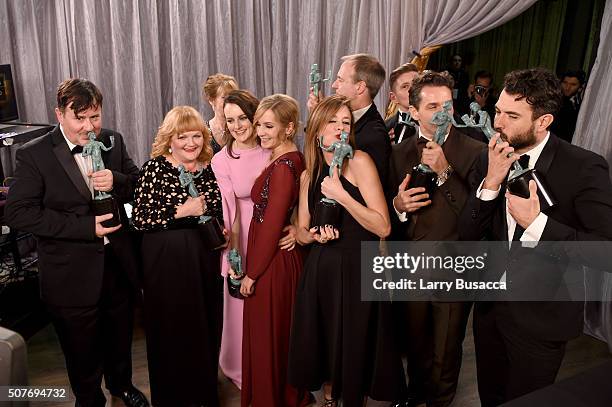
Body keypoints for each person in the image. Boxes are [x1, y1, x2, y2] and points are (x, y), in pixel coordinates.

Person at [459, 68, 612, 406]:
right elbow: (467, 233)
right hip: (488, 312)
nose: (499, 123)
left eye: (512, 116)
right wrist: (490, 185)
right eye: (498, 110)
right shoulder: (488, 158)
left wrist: (538, 225)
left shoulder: (584, 167)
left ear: (543, 122)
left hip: (543, 320)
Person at [5, 78, 148, 407]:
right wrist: (86, 228)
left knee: (119, 335)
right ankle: (88, 399)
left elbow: (137, 183)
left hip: (117, 265)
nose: (90, 127)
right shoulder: (34, 154)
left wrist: (118, 180)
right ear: (59, 114)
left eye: (94, 116)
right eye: (79, 118)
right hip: (69, 274)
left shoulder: (113, 140)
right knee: (81, 349)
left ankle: (122, 386)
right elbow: (19, 213)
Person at [288, 95, 407, 406]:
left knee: (355, 345)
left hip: (358, 269)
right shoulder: (308, 174)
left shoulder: (360, 162)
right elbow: (301, 232)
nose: (341, 128)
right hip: (322, 272)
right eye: (333, 122)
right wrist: (315, 235)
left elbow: (383, 226)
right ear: (316, 130)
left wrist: (342, 196)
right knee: (326, 344)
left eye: (346, 122)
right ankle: (330, 400)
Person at [389, 71, 484, 407]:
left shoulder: (476, 151)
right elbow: (389, 216)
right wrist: (398, 206)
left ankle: (441, 402)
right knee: (414, 345)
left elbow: (479, 217)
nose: (443, 112)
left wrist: (445, 172)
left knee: (445, 349)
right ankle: (415, 397)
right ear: (413, 111)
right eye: (432, 106)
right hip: (412, 267)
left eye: (447, 104)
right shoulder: (398, 153)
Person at [132, 106, 224, 407]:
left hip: (204, 260)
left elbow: (222, 210)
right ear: (169, 139)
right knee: (170, 327)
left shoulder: (212, 166)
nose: (190, 143)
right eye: (182, 136)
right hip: (164, 263)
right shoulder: (154, 168)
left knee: (205, 323)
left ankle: (205, 393)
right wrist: (180, 211)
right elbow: (141, 219)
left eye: (196, 136)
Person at [211, 89, 297, 389]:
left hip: (275, 232)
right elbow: (230, 212)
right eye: (229, 120)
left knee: (271, 310)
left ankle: (270, 367)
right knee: (239, 309)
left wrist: (297, 227)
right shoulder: (222, 160)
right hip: (242, 235)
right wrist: (235, 255)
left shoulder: (272, 147)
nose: (237, 126)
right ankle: (240, 367)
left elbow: (293, 193)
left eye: (243, 118)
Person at [239, 94, 311, 407]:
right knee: (277, 334)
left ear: (289, 127)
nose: (260, 132)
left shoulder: (284, 165)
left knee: (270, 335)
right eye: (258, 125)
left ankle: (275, 398)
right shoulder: (286, 159)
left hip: (273, 264)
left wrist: (252, 273)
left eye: (269, 126)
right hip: (274, 257)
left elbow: (271, 225)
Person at [309, 53, 390, 186]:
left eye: (340, 79)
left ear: (360, 87)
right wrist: (318, 117)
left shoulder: (374, 137)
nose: (334, 85)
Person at [202, 73, 239, 154]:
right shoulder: (202, 132)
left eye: (233, 96)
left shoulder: (241, 128)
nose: (230, 101)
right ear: (211, 100)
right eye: (224, 97)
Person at [385, 63, 420, 144]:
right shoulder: (384, 129)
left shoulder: (439, 122)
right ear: (394, 97)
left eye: (416, 83)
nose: (412, 89)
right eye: (405, 86)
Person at [550, 69, 586, 143]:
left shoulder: (582, 103)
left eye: (573, 84)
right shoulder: (554, 101)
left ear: (580, 88)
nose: (567, 87)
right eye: (565, 83)